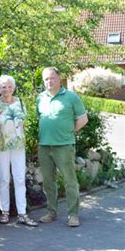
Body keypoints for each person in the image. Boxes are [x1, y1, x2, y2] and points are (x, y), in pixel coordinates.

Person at [36, 67, 88, 227]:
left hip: (64, 145)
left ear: (59, 78)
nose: (49, 81)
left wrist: (69, 131)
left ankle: (73, 215)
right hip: (44, 145)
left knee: (69, 181)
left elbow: (83, 119)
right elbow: (41, 118)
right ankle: (52, 212)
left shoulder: (71, 97)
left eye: (52, 78)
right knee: (48, 181)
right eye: (46, 79)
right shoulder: (40, 98)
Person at [0, 75, 38, 227]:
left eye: (9, 86)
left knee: (19, 179)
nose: (6, 89)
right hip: (2, 145)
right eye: (3, 87)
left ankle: (22, 213)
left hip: (18, 146)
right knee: (4, 178)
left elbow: (23, 123)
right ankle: (4, 212)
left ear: (13, 87)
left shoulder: (20, 102)